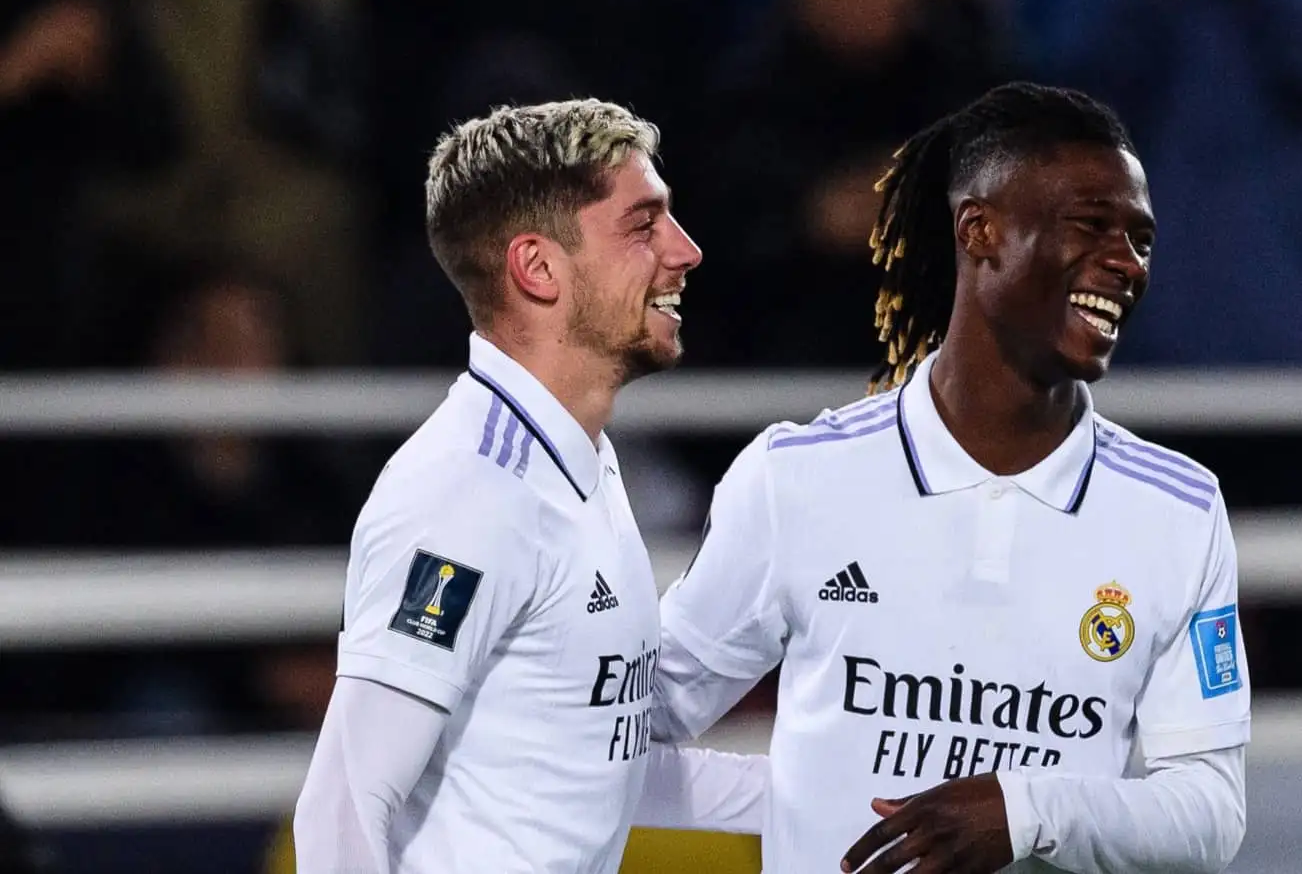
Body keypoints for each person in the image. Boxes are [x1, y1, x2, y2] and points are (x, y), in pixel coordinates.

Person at [653, 82, 1249, 873]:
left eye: (1140, 240)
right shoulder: (799, 479)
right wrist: (792, 804)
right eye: (1091, 228)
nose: (1125, 265)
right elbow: (645, 714)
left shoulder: (1177, 510)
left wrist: (1029, 810)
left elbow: (1210, 812)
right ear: (980, 229)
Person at [292, 100, 766, 874]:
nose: (686, 251)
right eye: (643, 226)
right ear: (538, 267)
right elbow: (342, 806)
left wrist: (827, 793)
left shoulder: (577, 459)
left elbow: (582, 766)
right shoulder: (468, 494)